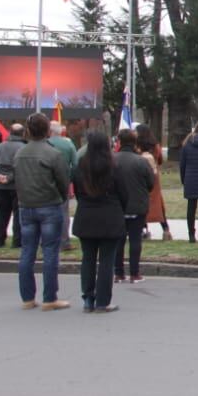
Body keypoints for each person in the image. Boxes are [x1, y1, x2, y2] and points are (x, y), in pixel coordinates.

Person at [14, 113, 71, 310]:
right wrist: (61, 197)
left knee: (27, 252)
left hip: (26, 206)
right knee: (50, 252)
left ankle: (27, 298)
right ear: (47, 130)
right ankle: (49, 298)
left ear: (28, 130)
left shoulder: (20, 153)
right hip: (49, 205)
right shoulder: (53, 154)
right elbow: (64, 181)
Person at [71, 131, 125, 312]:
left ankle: (87, 297)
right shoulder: (114, 167)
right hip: (110, 215)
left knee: (88, 259)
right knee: (107, 261)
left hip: (86, 214)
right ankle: (103, 300)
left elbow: (78, 191)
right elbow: (124, 193)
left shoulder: (80, 167)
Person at [112, 129, 153, 284]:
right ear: (135, 142)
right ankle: (134, 273)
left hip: (117, 206)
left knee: (118, 240)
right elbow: (150, 183)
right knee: (135, 239)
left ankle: (118, 273)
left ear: (119, 142)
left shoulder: (112, 160)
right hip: (137, 205)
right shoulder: (141, 161)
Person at [0, 123, 25, 248]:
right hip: (18, 186)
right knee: (18, 215)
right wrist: (10, 177)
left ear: (9, 132)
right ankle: (17, 241)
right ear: (22, 133)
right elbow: (22, 168)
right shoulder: (23, 148)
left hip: (1, 186)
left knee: (1, 214)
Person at [48, 122, 78, 250]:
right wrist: (69, 179)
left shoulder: (45, 144)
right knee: (63, 212)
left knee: (46, 212)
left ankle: (47, 241)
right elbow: (75, 164)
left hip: (45, 182)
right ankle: (64, 241)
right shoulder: (68, 144)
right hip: (63, 182)